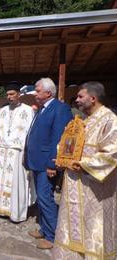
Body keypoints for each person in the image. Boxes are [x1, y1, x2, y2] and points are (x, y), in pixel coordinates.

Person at [52, 82, 117, 259]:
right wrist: (61, 158)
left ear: (93, 98)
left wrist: (82, 164)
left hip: (96, 190)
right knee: (72, 226)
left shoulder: (110, 120)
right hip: (74, 183)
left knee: (94, 229)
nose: (77, 100)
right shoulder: (84, 121)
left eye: (81, 97)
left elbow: (112, 153)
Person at [24, 78, 73, 249]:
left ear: (48, 93)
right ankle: (45, 230)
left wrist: (53, 164)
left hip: (47, 164)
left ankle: (52, 237)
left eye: (37, 91)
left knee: (46, 198)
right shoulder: (43, 109)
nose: (35, 94)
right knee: (42, 198)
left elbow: (59, 139)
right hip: (37, 162)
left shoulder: (60, 109)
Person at [0, 82, 36, 222]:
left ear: (19, 94)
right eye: (8, 94)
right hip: (2, 152)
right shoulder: (2, 111)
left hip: (17, 152)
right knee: (0, 181)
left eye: (12, 94)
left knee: (16, 182)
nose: (9, 97)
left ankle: (16, 212)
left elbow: (30, 133)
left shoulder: (28, 110)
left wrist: (27, 152)